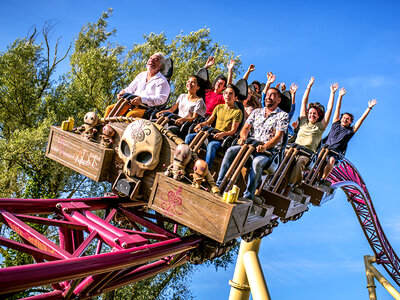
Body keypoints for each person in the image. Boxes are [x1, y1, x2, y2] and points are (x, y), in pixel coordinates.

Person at [216, 87, 289, 200]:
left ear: (278, 100)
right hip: (251, 145)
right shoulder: (256, 112)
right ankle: (219, 183)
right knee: (231, 151)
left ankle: (248, 195)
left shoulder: (282, 115)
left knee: (257, 162)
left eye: (273, 95)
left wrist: (265, 147)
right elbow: (245, 129)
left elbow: (278, 137)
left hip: (267, 152)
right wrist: (243, 138)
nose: (269, 97)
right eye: (268, 94)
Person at [286, 77, 338, 194]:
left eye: (314, 113)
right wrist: (308, 88)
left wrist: (332, 93)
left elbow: (329, 109)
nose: (311, 115)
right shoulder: (303, 122)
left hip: (307, 153)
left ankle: (293, 185)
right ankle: (276, 179)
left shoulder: (320, 127)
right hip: (293, 148)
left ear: (318, 115)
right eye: (310, 113)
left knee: (299, 163)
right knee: (283, 156)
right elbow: (304, 103)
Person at [319, 88, 377, 183]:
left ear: (350, 122)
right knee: (317, 160)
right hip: (323, 148)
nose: (345, 120)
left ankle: (323, 179)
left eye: (348, 119)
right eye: (344, 118)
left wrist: (369, 108)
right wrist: (340, 96)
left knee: (331, 160)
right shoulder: (335, 124)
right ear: (341, 118)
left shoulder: (350, 131)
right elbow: (337, 109)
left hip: (335, 152)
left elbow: (361, 120)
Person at [185, 84, 243, 168]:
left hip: (222, 140)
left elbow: (233, 131)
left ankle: (204, 170)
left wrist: (222, 134)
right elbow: (208, 122)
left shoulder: (237, 112)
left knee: (211, 145)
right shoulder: (219, 107)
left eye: (230, 94)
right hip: (211, 135)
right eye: (226, 93)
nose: (227, 95)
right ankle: (186, 160)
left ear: (235, 98)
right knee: (189, 137)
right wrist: (201, 124)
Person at [104, 52, 170, 118]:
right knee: (110, 109)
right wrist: (124, 92)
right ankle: (102, 127)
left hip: (146, 109)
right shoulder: (141, 75)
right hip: (130, 104)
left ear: (160, 66)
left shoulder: (162, 81)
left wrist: (142, 99)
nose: (151, 60)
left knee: (131, 115)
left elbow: (161, 99)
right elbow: (131, 88)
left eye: (155, 60)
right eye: (150, 58)